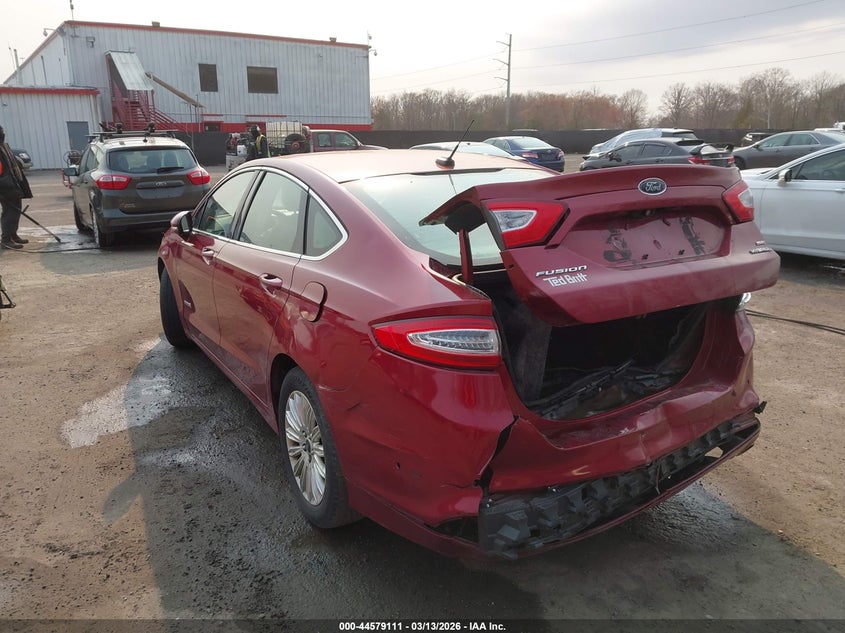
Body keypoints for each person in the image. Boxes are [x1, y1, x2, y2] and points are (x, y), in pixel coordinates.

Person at [0, 125, 33, 250]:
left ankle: (13, 234)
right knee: (9, 212)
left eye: (3, 131)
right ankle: (6, 239)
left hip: (13, 185)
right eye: (1, 132)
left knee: (16, 210)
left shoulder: (4, 147)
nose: (3, 134)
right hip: (4, 188)